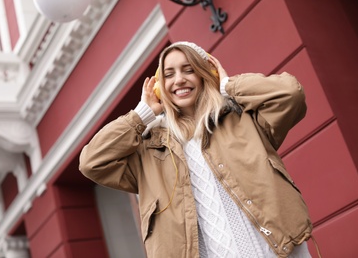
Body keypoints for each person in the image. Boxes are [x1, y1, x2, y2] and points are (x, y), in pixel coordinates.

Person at [79, 41, 313, 258]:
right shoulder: (149, 153)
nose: (178, 80)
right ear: (161, 88)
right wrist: (141, 115)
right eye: (168, 75)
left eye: (188, 70)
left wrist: (227, 85)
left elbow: (290, 94)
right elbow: (91, 161)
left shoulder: (243, 120)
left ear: (204, 74)